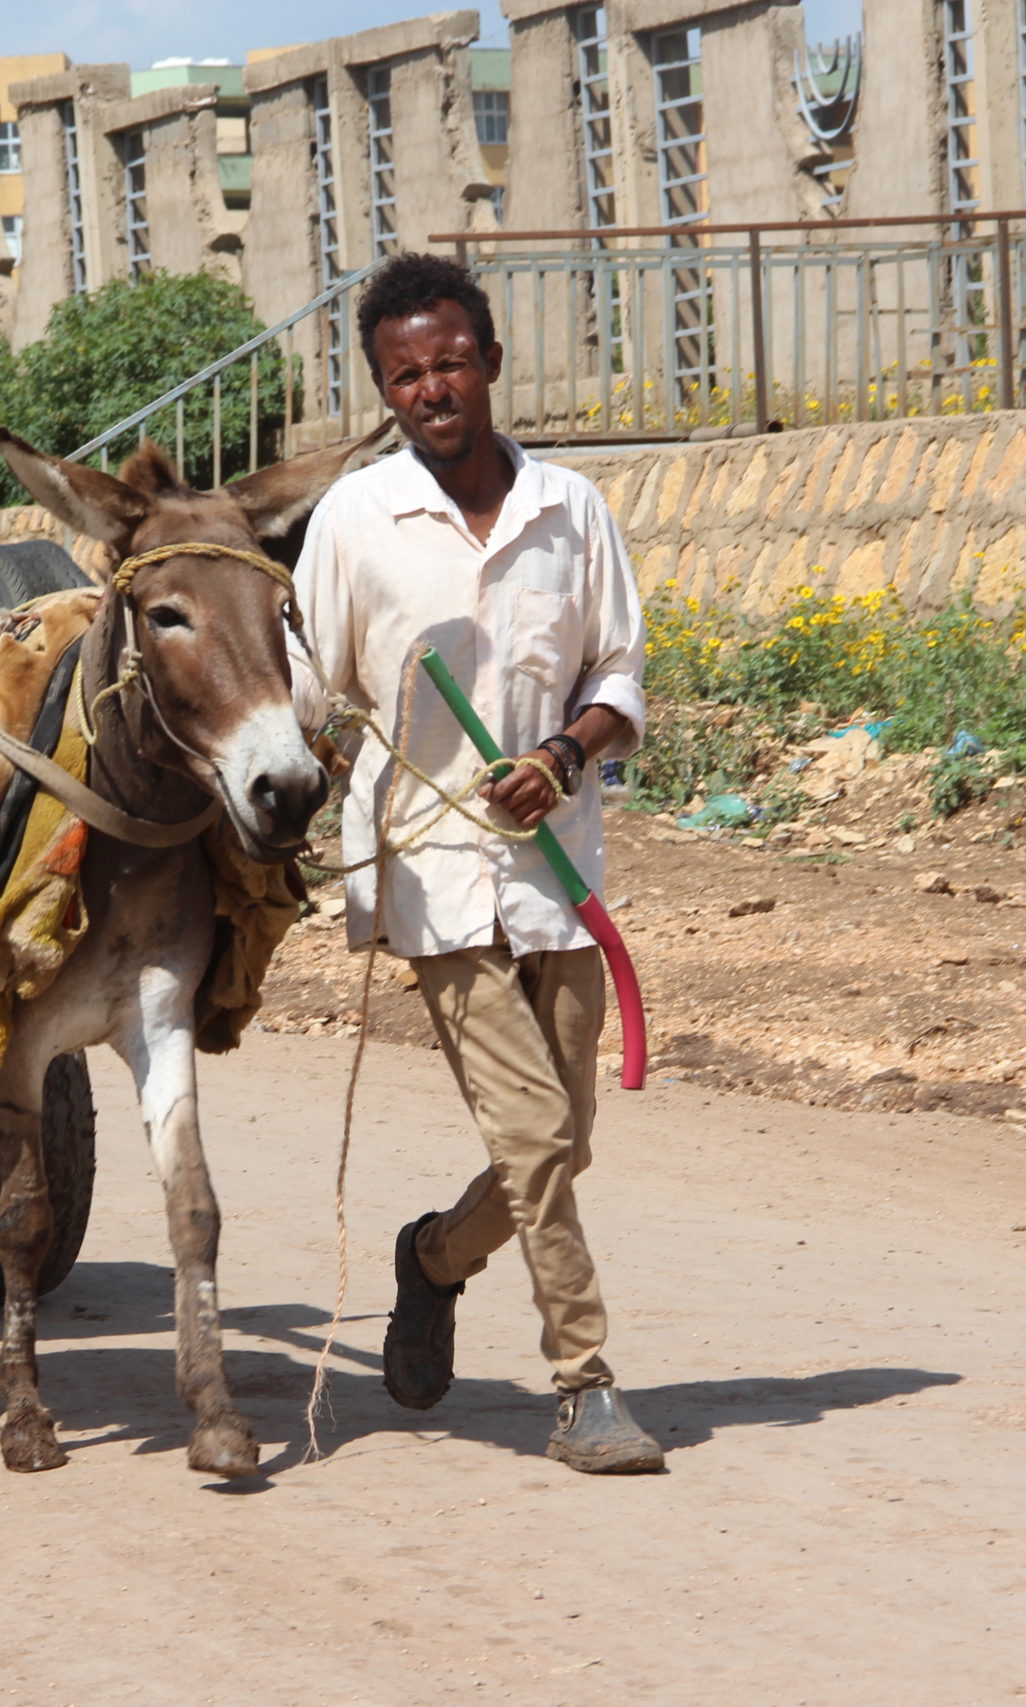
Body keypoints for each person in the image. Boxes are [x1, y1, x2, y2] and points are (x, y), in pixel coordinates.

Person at [291, 253, 662, 1475]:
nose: (432, 388)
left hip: (558, 867)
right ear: (383, 391)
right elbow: (311, 693)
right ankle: (585, 1385)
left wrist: (560, 755)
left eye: (450, 363)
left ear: (490, 364)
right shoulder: (354, 521)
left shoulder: (573, 512)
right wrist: (327, 749)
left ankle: (433, 1258)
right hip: (430, 869)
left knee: (563, 1137)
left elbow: (617, 673)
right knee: (535, 1138)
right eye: (406, 375)